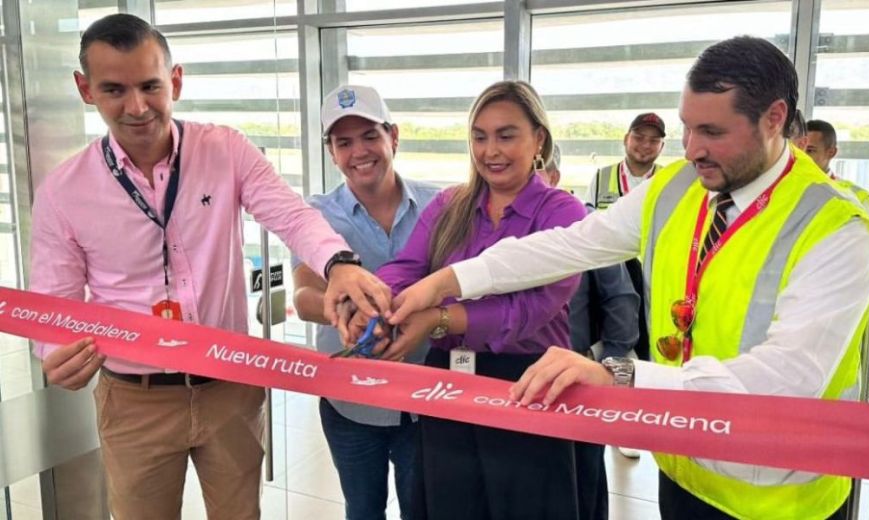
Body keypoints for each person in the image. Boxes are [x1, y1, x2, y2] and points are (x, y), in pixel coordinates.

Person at [381, 37, 869, 520]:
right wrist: (448, 279)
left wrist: (621, 374)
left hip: (777, 495)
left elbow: (787, 378)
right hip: (685, 462)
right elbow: (571, 245)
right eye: (688, 128)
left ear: (774, 119)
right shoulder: (677, 187)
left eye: (712, 132)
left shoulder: (836, 228)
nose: (691, 149)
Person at [29, 14, 390, 520]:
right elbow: (55, 304)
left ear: (175, 80)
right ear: (85, 90)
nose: (136, 107)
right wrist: (55, 353)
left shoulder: (224, 149)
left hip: (230, 387)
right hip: (136, 399)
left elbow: (290, 215)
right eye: (114, 89)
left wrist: (340, 264)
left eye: (151, 86)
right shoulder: (64, 192)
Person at [349, 80, 601, 519]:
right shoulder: (452, 203)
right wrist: (375, 305)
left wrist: (436, 319)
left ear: (538, 138)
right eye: (480, 137)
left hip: (528, 383)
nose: (491, 151)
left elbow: (528, 311)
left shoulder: (562, 213)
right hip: (449, 383)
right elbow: (408, 266)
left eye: (507, 135)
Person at [292, 84, 438, 520]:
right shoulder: (315, 215)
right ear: (331, 152)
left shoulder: (441, 205)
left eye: (370, 136)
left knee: (423, 509)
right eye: (343, 142)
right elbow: (302, 297)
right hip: (350, 402)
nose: (359, 151)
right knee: (363, 508)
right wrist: (345, 313)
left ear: (394, 136)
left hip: (426, 398)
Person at [543, 144, 646, 460]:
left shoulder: (586, 227)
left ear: (554, 176)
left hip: (579, 379)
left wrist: (603, 367)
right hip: (522, 382)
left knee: (583, 479)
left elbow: (622, 302)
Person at [587, 111, 666, 209]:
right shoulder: (602, 177)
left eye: (654, 141)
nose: (646, 145)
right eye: (639, 138)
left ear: (661, 146)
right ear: (626, 139)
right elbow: (589, 219)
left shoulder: (669, 179)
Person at [807, 119, 869, 212]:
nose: (801, 156)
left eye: (810, 151)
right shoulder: (785, 189)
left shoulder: (858, 197)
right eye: (798, 150)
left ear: (831, 152)